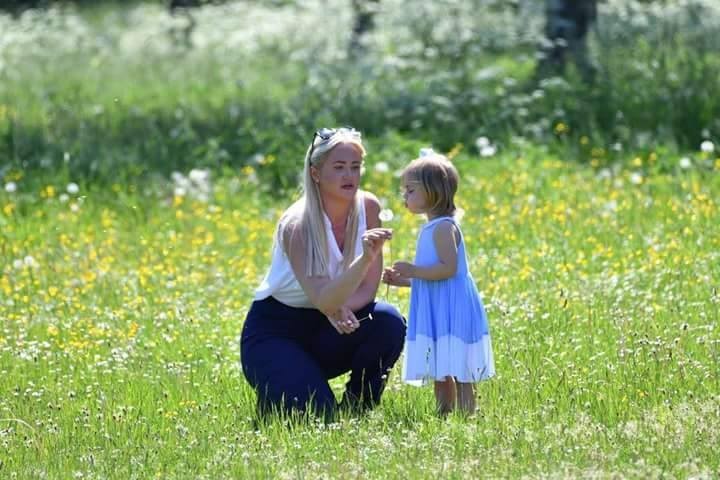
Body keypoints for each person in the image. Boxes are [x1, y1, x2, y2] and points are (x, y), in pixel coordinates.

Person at [240, 127, 406, 420]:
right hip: (278, 331)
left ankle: (358, 407)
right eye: (339, 167)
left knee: (387, 321)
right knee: (318, 415)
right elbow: (325, 300)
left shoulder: (368, 207)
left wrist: (338, 309)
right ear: (316, 173)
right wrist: (364, 260)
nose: (349, 175)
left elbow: (368, 289)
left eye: (355, 167)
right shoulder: (297, 224)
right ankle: (282, 388)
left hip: (331, 325)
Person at [382, 149, 494, 416]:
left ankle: (468, 415)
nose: (404, 197)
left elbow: (448, 269)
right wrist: (405, 280)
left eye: (410, 191)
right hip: (439, 304)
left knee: (461, 368)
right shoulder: (432, 227)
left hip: (453, 308)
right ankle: (444, 414)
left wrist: (414, 270)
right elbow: (435, 278)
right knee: (440, 370)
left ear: (433, 191)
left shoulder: (444, 227)